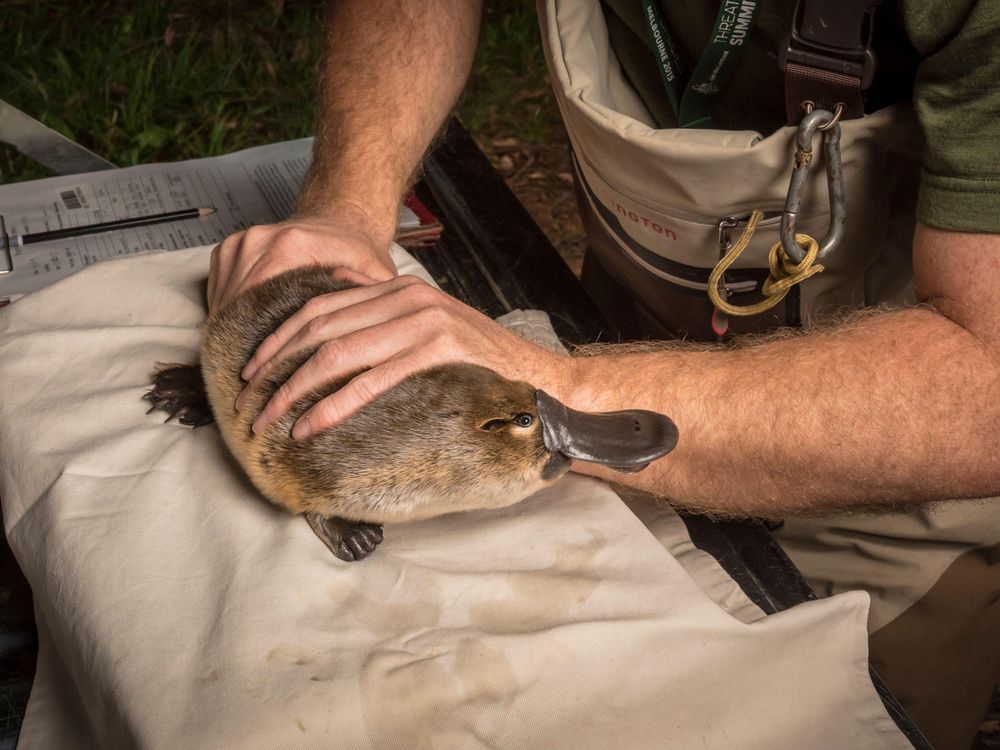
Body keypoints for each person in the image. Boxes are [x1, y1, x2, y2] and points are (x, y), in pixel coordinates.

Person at [208, 2, 999, 747]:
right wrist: (347, 203)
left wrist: (566, 395)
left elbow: (986, 386)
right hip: (627, 310)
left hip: (896, 443)